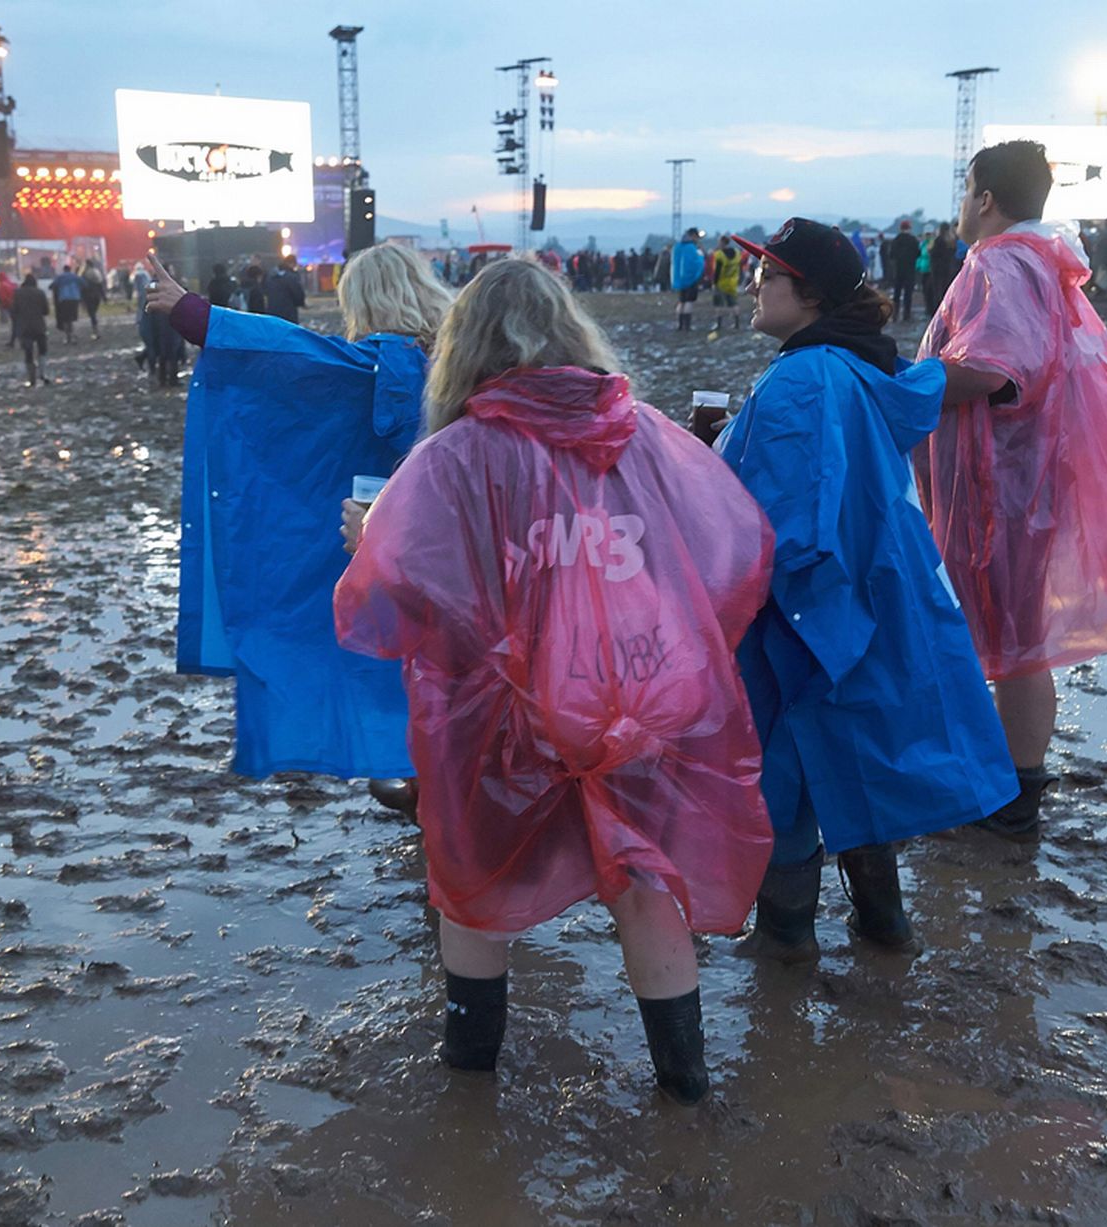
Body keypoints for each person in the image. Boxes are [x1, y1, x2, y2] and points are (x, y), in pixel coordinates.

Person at [333, 257, 777, 1105]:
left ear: (462, 347)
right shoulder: (646, 433)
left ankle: (471, 1087)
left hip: (501, 713)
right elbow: (733, 543)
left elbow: (400, 594)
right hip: (639, 698)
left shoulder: (455, 453)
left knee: (473, 883)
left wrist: (368, 539)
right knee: (643, 881)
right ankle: (686, 1087)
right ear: (572, 330)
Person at [716, 217, 1017, 957]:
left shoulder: (800, 377)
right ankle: (883, 924)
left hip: (813, 606)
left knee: (788, 765)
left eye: (768, 275)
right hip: (880, 590)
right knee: (855, 753)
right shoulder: (853, 367)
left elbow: (784, 520)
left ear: (808, 293)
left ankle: (784, 937)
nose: (754, 285)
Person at [147, 243, 453, 801]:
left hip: (382, 544)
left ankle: (420, 787)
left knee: (392, 655)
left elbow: (290, 353)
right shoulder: (465, 367)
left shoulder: (369, 367)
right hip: (463, 550)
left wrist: (195, 315)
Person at [915, 140, 1107, 837]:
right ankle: (1008, 781)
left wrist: (899, 385)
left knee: (1009, 638)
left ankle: (1012, 793)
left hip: (1004, 482)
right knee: (1014, 637)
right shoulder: (1042, 260)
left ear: (984, 197)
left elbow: (993, 369)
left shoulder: (1001, 261)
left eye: (965, 188)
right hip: (1030, 473)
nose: (960, 203)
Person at [10, 273, 51, 386]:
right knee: (42, 350)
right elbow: (46, 311)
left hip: (24, 327)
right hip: (39, 326)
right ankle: (42, 373)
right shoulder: (40, 293)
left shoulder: (18, 293)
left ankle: (31, 377)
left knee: (28, 353)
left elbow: (14, 310)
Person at [671, 228, 704, 332]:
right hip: (690, 279)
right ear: (693, 235)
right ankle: (687, 326)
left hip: (679, 280)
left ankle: (680, 325)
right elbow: (696, 263)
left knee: (681, 301)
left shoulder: (677, 247)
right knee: (689, 302)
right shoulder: (691, 248)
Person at [889, 220, 922, 321]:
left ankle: (895, 314)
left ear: (900, 228)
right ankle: (906, 315)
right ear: (909, 228)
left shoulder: (896, 240)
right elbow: (918, 254)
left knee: (897, 293)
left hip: (898, 269)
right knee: (908, 293)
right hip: (910, 269)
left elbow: (891, 255)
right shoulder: (913, 240)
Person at [927, 222, 959, 317]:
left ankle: (938, 312)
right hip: (949, 268)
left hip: (937, 269)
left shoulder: (938, 240)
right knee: (946, 290)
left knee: (937, 290)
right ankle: (948, 311)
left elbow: (933, 253)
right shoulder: (952, 241)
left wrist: (930, 249)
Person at [711, 237, 743, 331]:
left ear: (722, 243)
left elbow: (717, 270)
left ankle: (718, 324)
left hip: (721, 282)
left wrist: (714, 283)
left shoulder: (719, 255)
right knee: (734, 303)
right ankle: (737, 324)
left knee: (719, 304)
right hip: (733, 282)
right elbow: (740, 267)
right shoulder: (737, 253)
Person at [264, 259, 307, 324]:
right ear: (292, 264)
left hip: (272, 310)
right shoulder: (291, 277)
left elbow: (266, 290)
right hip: (288, 311)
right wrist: (301, 303)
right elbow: (298, 293)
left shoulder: (271, 276)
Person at [50, 264, 83, 343]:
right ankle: (72, 334)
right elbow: (84, 284)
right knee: (72, 318)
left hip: (64, 300)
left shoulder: (60, 277)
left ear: (64, 270)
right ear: (70, 269)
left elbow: (51, 286)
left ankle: (68, 336)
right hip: (75, 299)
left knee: (65, 319)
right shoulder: (75, 277)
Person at [81, 259, 107, 338]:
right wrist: (104, 297)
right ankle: (95, 329)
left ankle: (95, 330)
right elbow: (100, 285)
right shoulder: (97, 272)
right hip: (97, 296)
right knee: (93, 313)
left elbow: (83, 286)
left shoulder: (85, 273)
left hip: (89, 296)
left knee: (92, 314)